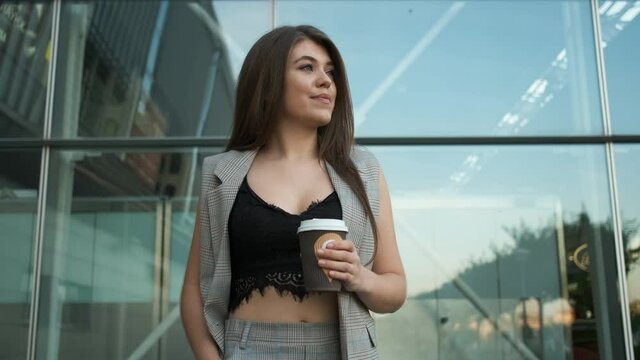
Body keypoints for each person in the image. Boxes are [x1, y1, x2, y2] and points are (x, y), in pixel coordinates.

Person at [180, 25, 406, 360]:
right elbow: (194, 290)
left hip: (343, 348)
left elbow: (395, 289)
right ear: (268, 84)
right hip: (247, 349)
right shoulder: (220, 173)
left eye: (330, 72)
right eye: (307, 67)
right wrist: (207, 355)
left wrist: (359, 277)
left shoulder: (364, 170)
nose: (326, 80)